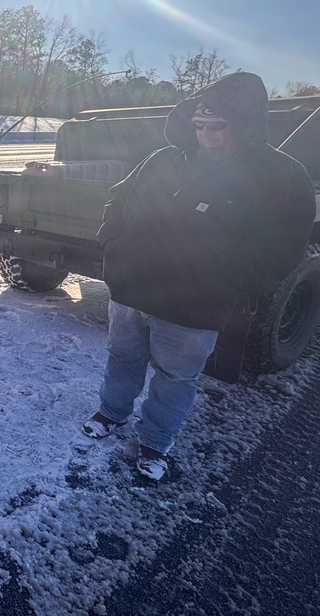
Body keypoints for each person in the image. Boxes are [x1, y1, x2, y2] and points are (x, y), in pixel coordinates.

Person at [81, 72, 315, 480]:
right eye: (199, 124)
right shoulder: (164, 158)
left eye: (217, 126)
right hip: (132, 288)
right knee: (122, 357)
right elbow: (119, 196)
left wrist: (229, 281)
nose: (206, 133)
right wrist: (113, 245)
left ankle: (155, 443)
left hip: (194, 305)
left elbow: (283, 245)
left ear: (244, 124)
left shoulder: (279, 176)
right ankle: (112, 414)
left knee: (175, 377)